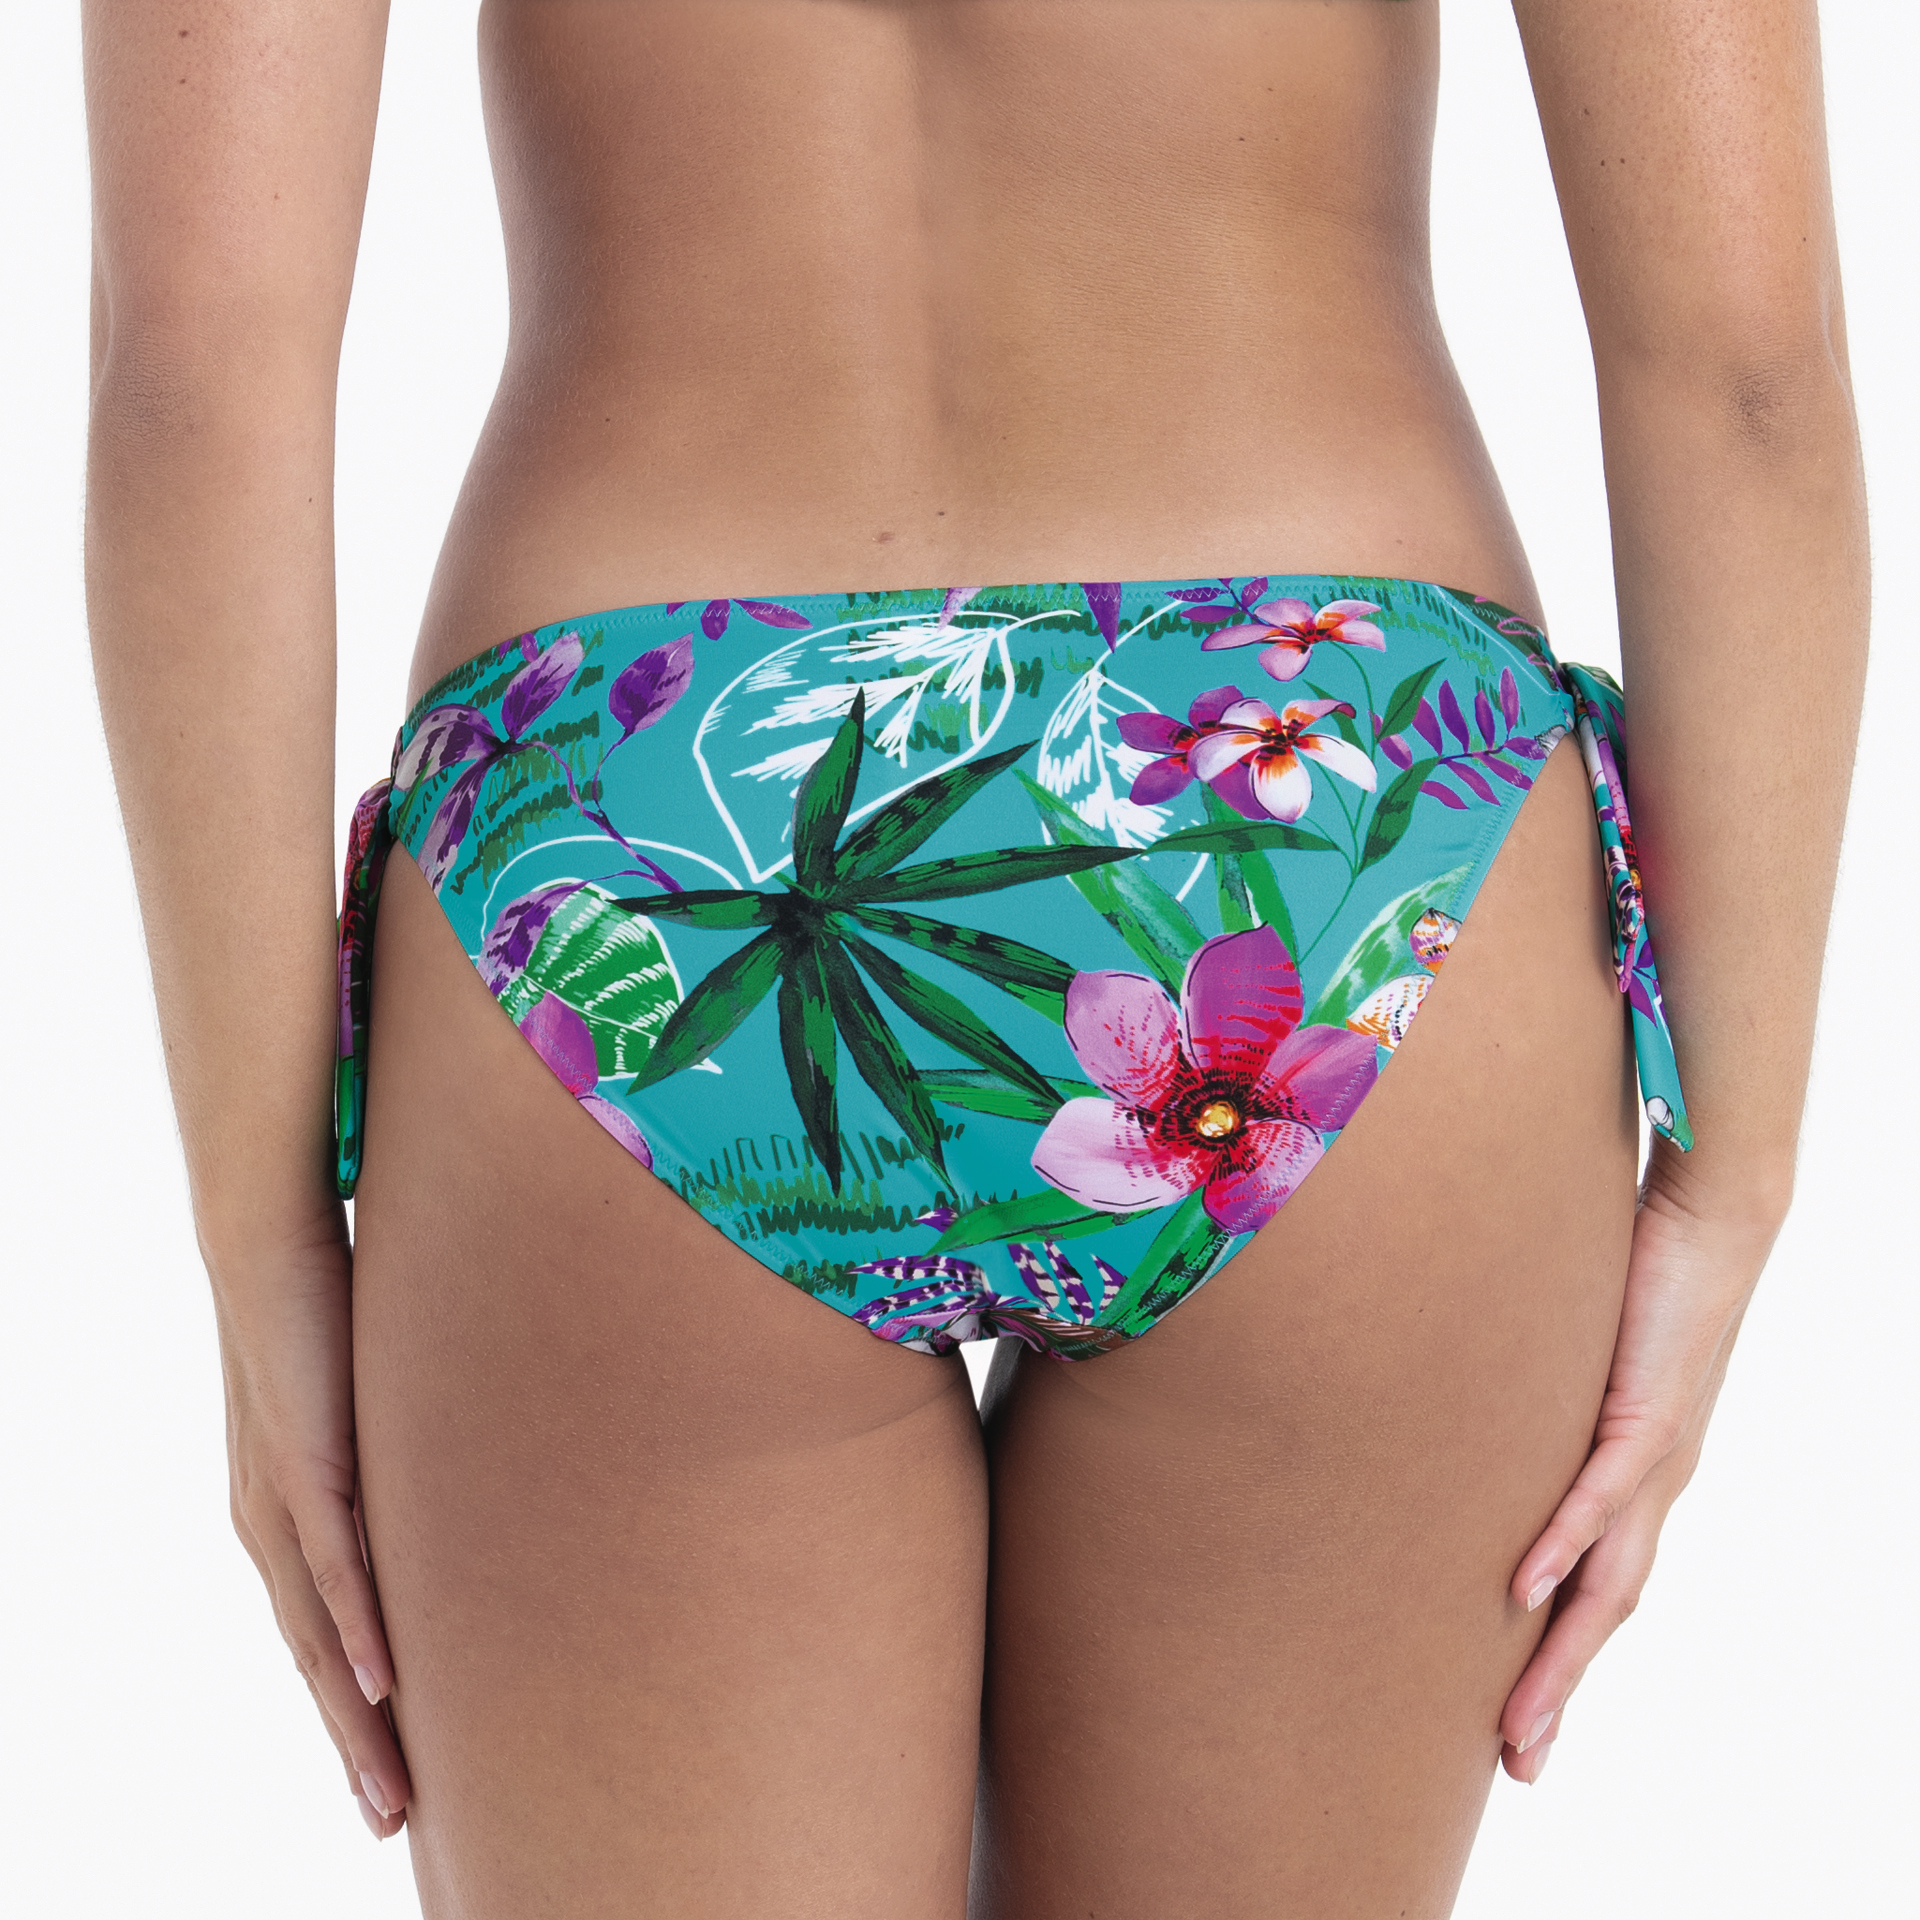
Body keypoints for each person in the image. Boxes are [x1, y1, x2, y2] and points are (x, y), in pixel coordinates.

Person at [81, 1, 1865, 1913]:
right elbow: (1744, 372)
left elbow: (197, 375)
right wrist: (1733, 1168)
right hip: (1318, 782)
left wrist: (263, 1232)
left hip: (640, 814)